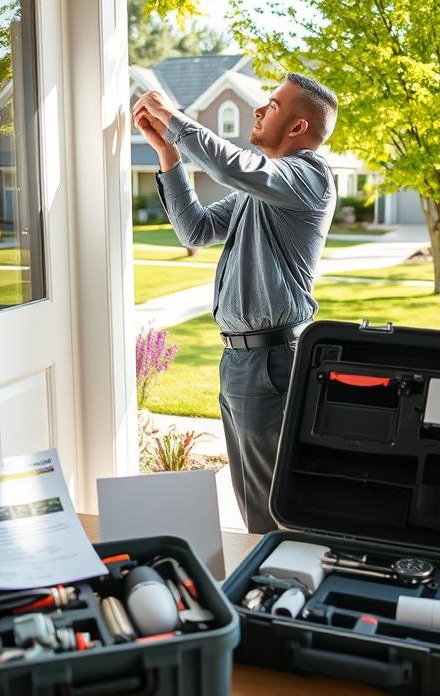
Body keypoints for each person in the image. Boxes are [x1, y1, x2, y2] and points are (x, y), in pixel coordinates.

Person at [133, 73, 338, 534]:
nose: (258, 111)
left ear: (297, 128)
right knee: (253, 499)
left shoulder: (310, 175)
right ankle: (266, 584)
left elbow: (230, 168)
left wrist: (175, 118)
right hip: (241, 360)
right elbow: (196, 231)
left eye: (272, 104)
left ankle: (278, 592)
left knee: (272, 506)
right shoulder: (260, 191)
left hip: (273, 361)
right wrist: (168, 154)